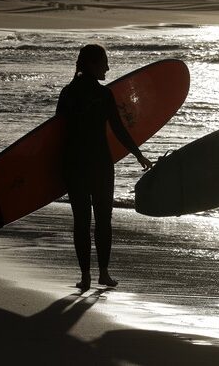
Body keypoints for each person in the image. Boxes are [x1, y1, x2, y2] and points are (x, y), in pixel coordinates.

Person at [56, 44, 152, 291]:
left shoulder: (67, 93)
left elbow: (56, 134)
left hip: (74, 163)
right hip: (99, 163)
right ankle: (104, 274)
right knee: (103, 220)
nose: (108, 67)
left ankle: (86, 276)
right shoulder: (103, 95)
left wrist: (54, 169)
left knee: (81, 220)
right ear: (90, 64)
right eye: (104, 62)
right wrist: (138, 154)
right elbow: (119, 130)